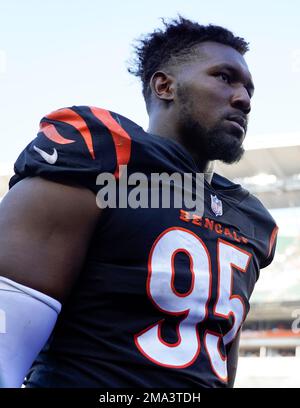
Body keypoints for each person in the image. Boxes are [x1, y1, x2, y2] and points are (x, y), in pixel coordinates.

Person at [0, 16, 278, 388]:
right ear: (165, 86)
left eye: (249, 90)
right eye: (224, 77)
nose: (243, 99)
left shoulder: (250, 218)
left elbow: (217, 363)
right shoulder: (101, 159)